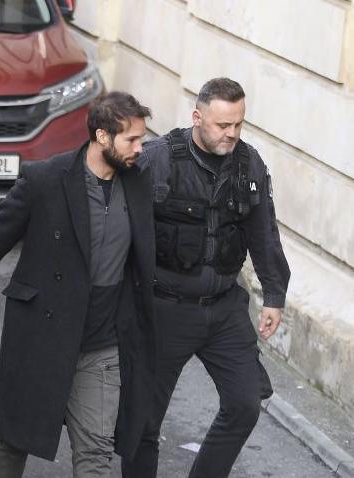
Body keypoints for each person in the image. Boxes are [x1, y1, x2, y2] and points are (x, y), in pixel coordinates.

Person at [0, 91, 158, 477]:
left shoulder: (137, 182)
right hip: (43, 332)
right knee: (15, 438)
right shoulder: (46, 179)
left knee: (96, 451)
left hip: (102, 343)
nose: (140, 147)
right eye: (132, 140)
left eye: (142, 139)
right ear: (102, 136)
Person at [122, 78, 290, 478]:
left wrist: (274, 295)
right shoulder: (157, 159)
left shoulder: (250, 164)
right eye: (222, 126)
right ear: (198, 118)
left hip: (224, 310)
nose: (231, 134)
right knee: (143, 421)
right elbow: (118, 227)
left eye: (238, 124)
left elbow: (264, 231)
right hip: (165, 310)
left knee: (246, 403)